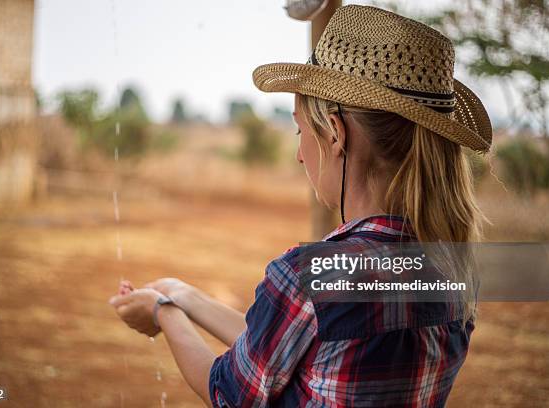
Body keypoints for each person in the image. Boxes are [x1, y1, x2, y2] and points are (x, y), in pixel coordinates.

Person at [109, 5, 492, 407]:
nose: (299, 154)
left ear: (335, 134)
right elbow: (289, 349)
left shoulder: (307, 276)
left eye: (300, 129)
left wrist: (162, 314)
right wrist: (180, 294)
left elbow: (228, 391)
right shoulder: (455, 267)